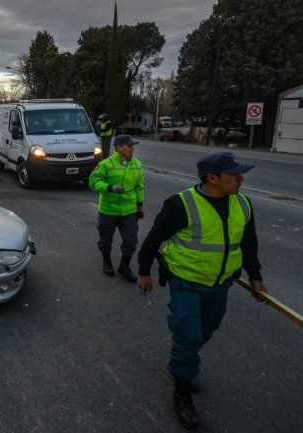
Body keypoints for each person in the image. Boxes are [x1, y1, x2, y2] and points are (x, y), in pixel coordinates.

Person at [136, 152, 268, 430]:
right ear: (213, 178)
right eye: (234, 175)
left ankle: (182, 359)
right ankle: (182, 388)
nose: (240, 178)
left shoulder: (242, 204)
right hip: (185, 281)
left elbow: (249, 244)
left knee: (205, 331)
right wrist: (144, 272)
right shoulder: (181, 204)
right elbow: (153, 239)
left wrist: (255, 276)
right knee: (188, 333)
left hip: (220, 283)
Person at [88, 134, 144, 282]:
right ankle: (107, 262)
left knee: (131, 240)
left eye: (132, 145)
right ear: (119, 147)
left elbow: (139, 187)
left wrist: (140, 205)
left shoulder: (137, 164)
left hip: (129, 210)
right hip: (108, 210)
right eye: (129, 145)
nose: (132, 148)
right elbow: (93, 182)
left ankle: (124, 266)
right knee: (105, 240)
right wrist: (111, 188)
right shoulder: (106, 164)